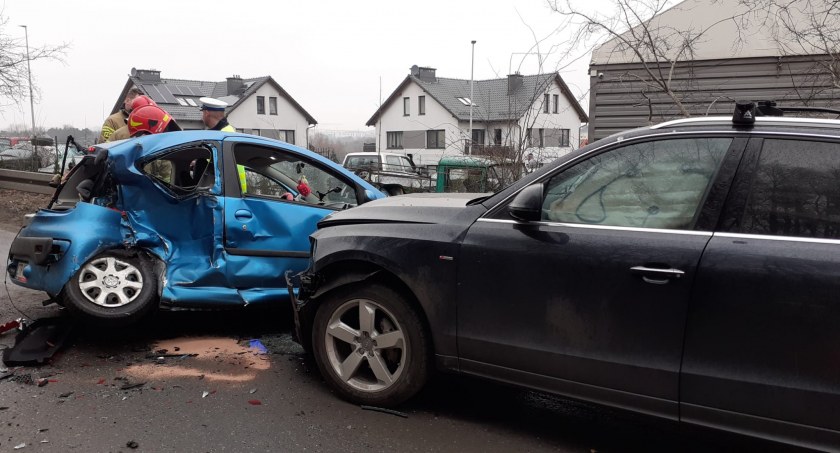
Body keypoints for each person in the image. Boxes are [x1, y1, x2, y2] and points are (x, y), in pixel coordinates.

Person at [200, 97, 246, 192]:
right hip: (235, 193)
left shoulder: (220, 137)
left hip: (228, 194)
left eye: (202, 113)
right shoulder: (227, 131)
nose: (202, 117)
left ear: (207, 113)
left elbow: (211, 164)